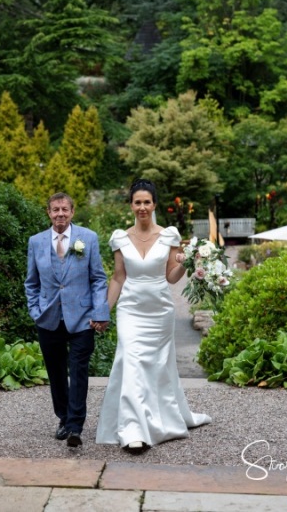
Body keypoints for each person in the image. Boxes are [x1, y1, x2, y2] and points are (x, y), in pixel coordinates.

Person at [96, 179, 211, 453]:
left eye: (147, 202)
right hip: (130, 310)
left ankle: (161, 418)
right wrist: (103, 312)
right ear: (131, 205)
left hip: (159, 310)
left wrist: (188, 264)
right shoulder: (120, 238)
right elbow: (118, 277)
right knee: (132, 361)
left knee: (158, 367)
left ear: (155, 205)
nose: (142, 207)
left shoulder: (169, 235)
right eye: (138, 202)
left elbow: (171, 277)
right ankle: (133, 429)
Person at [25, 192, 110, 447]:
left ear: (72, 212)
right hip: (48, 318)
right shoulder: (36, 242)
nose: (60, 214)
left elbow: (98, 278)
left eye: (64, 209)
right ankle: (63, 417)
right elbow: (31, 282)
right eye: (55, 210)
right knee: (56, 372)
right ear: (48, 213)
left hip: (82, 318)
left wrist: (100, 312)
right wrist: (35, 310)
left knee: (79, 370)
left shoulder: (89, 238)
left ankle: (75, 426)